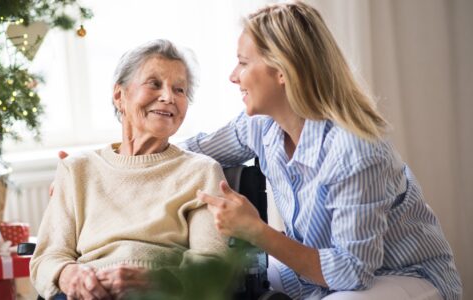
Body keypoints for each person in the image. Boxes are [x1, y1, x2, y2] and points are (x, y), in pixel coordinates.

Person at [184, 1, 462, 299]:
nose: (233, 76)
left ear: (282, 70)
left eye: (243, 62)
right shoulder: (260, 126)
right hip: (317, 274)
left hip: (403, 275)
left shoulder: (355, 149)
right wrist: (131, 142)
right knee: (224, 284)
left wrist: (256, 230)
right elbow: (190, 151)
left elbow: (352, 273)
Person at [30, 39, 228, 300]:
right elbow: (47, 258)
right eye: (154, 84)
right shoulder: (77, 169)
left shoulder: (202, 172)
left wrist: (153, 281)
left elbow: (211, 266)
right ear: (119, 96)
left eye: (179, 89)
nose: (168, 97)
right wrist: (69, 276)